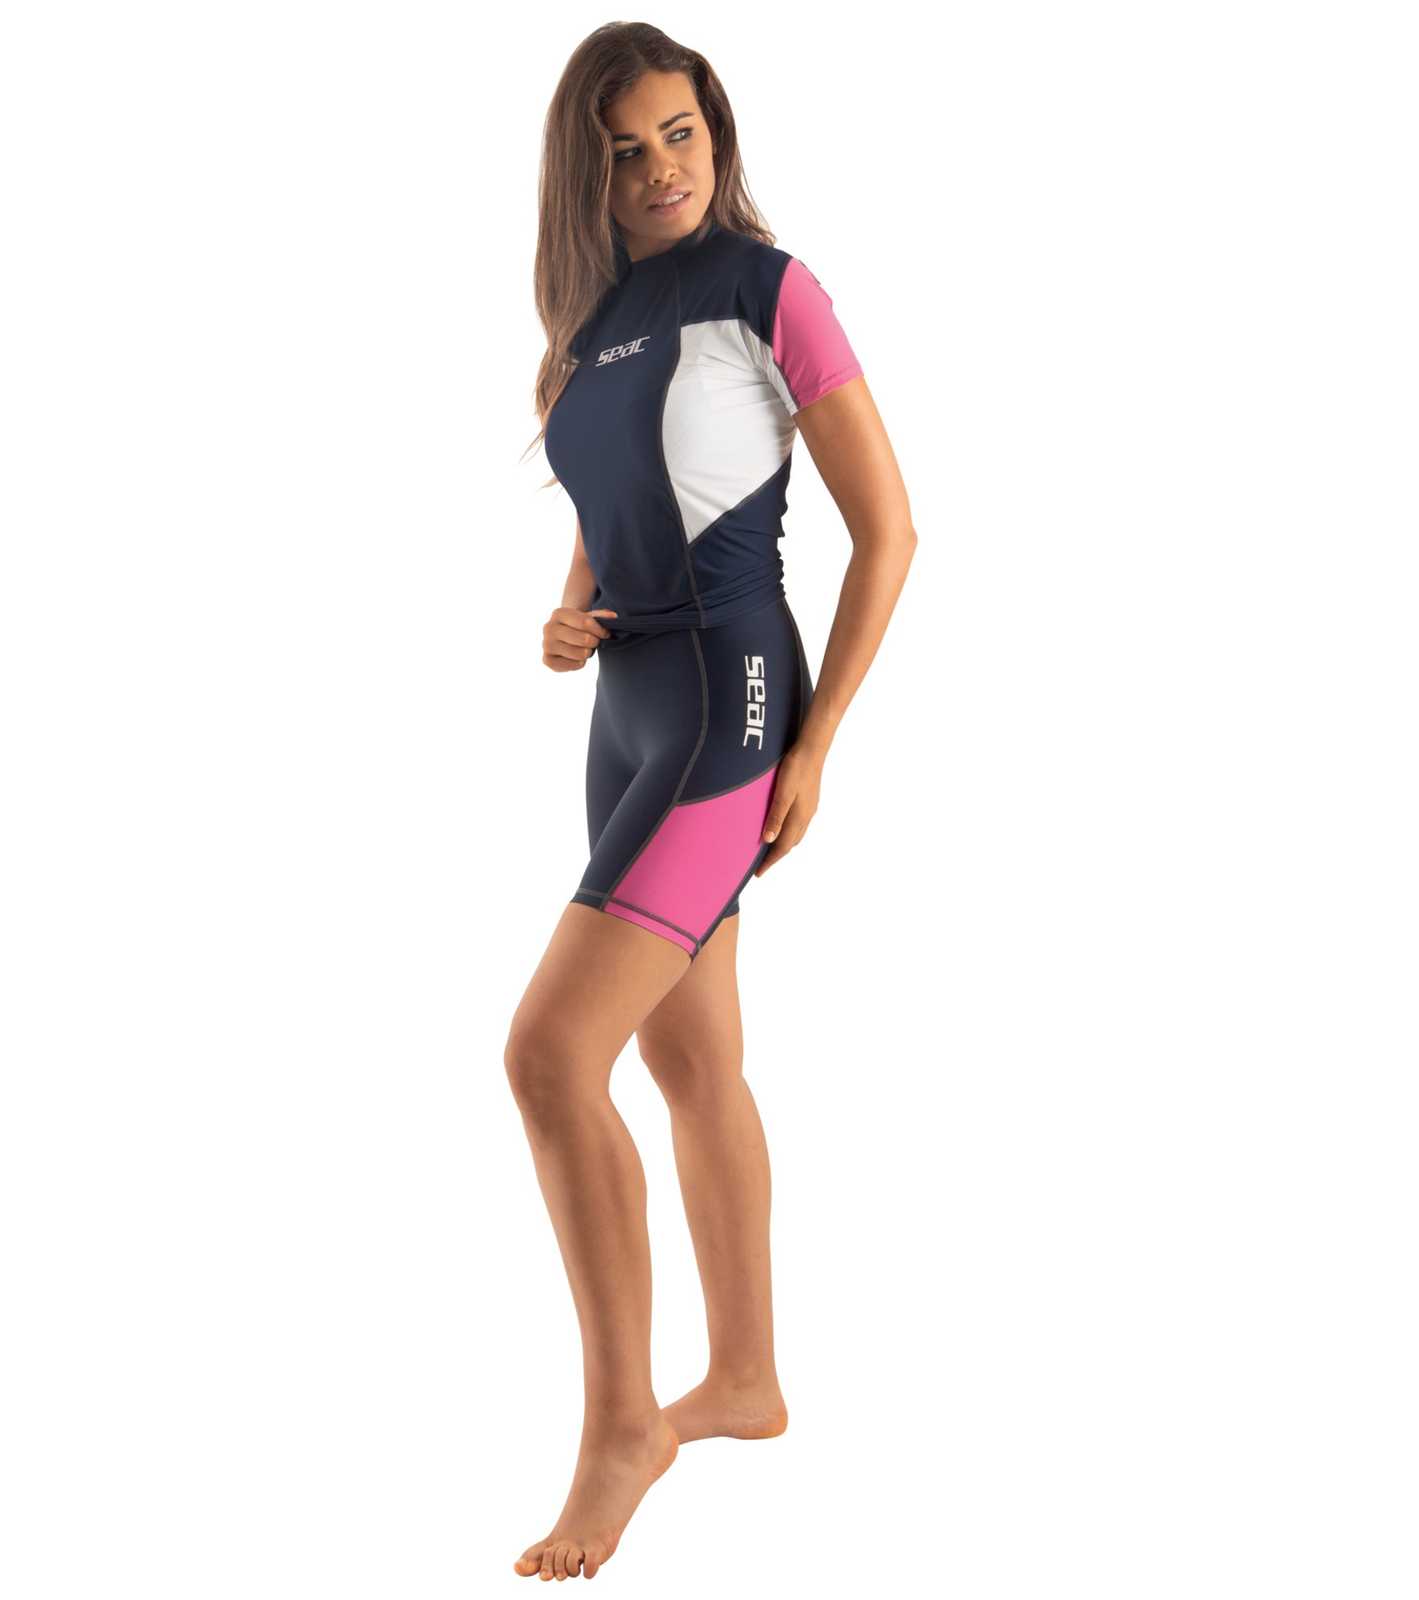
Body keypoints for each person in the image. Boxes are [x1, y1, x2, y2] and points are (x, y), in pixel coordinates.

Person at [505, 23, 917, 1582]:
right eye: (625, 149)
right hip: (627, 715)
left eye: (679, 133)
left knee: (551, 1054)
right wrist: (569, 612)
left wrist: (817, 744)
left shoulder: (768, 289)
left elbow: (891, 530)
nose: (660, 167)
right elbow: (613, 514)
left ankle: (623, 1423)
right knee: (690, 1055)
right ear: (586, 174)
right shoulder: (584, 331)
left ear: (716, 136)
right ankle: (744, 1376)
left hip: (730, 707)